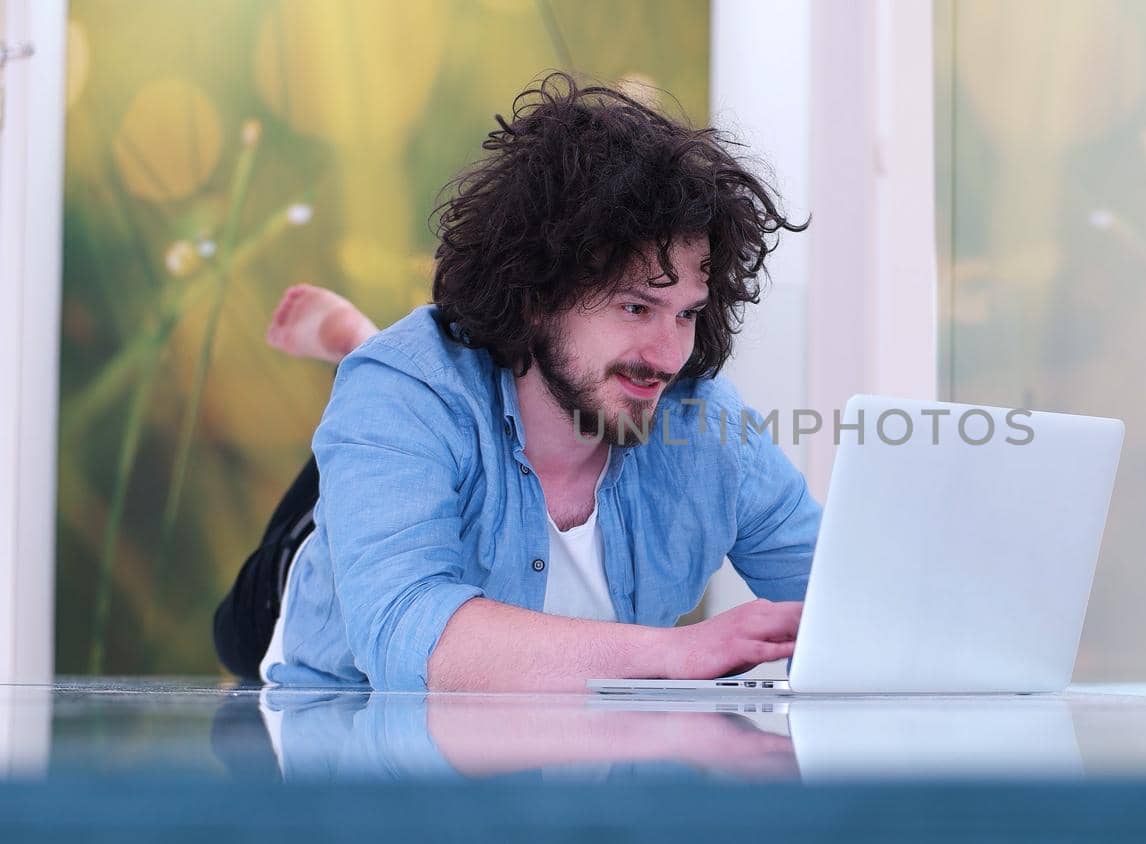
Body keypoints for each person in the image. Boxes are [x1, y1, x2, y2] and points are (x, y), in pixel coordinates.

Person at [213, 72, 818, 692]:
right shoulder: (401, 393)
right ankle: (360, 350)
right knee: (247, 613)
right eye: (636, 308)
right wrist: (676, 653)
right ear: (537, 297)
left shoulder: (708, 427)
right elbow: (403, 631)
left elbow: (845, 602)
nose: (668, 355)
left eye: (687, 313)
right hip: (317, 645)